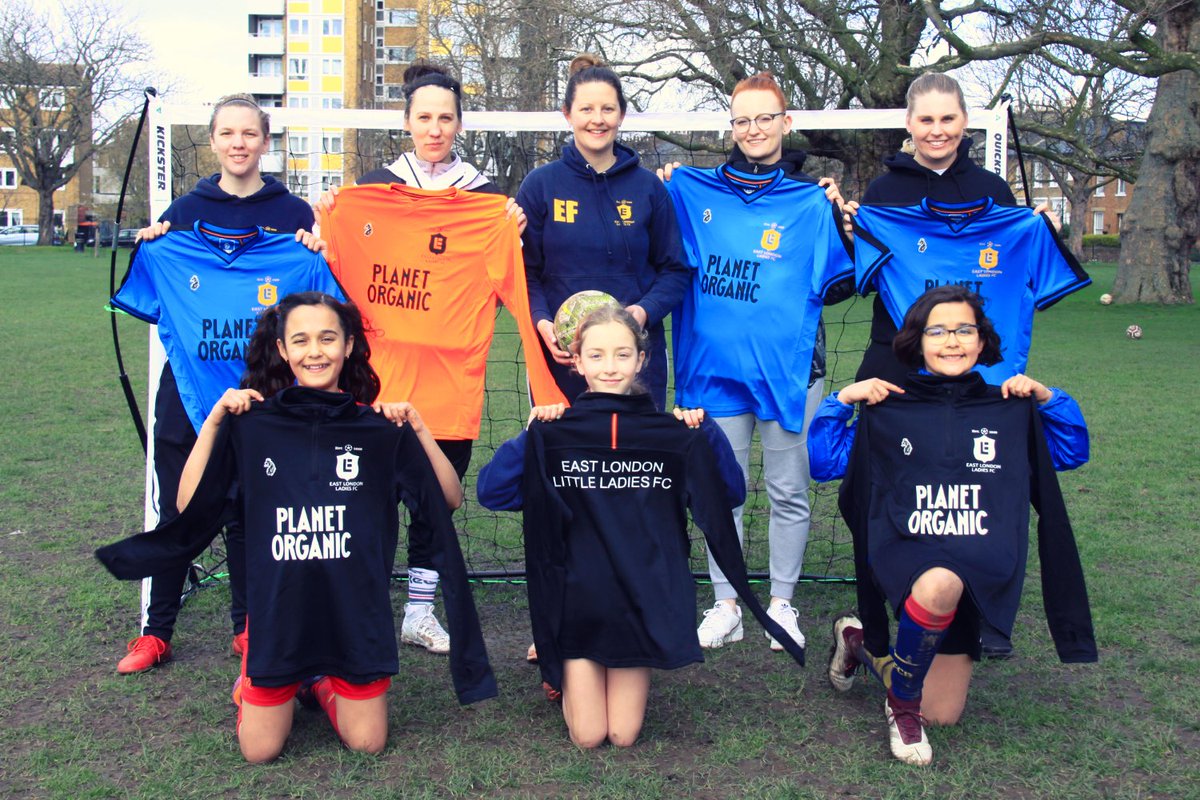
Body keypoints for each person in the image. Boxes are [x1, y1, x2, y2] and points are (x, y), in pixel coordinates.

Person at [97, 292, 496, 763]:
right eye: (301, 340)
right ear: (284, 350)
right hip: (278, 619)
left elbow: (447, 499)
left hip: (354, 621)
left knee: (367, 743)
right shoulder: (253, 426)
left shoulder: (378, 428)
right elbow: (187, 505)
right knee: (259, 752)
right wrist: (215, 422)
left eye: (328, 338)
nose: (315, 351)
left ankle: (322, 684)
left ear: (348, 346)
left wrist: (419, 428)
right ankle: (260, 674)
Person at [476, 305, 805, 748]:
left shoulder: (670, 434)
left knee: (624, 736)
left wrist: (705, 433)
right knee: (590, 737)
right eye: (596, 355)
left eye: (621, 354)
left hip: (640, 598)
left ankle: (590, 669)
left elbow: (729, 493)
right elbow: (493, 492)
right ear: (577, 360)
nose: (609, 367)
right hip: (576, 600)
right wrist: (531, 433)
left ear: (641, 360)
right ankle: (562, 672)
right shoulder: (557, 431)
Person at [808, 285, 1096, 765]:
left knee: (942, 712)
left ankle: (856, 643)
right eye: (937, 331)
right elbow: (824, 462)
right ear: (917, 343)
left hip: (977, 559)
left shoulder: (1006, 406)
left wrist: (1046, 398)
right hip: (907, 546)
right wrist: (843, 398)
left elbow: (1070, 451)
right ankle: (900, 705)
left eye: (964, 330)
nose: (952, 341)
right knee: (938, 582)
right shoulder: (888, 405)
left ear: (982, 341)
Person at [314, 63, 540, 654]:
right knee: (367, 502)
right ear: (406, 122)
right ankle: (357, 609)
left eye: (445, 118)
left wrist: (511, 228)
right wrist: (326, 230)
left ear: (459, 124)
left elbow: (516, 278)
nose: (434, 129)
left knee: (435, 504)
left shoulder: (486, 199)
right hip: (376, 382)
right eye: (424, 118)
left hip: (451, 385)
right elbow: (334, 278)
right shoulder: (371, 189)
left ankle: (419, 611)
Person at [112, 93, 324, 675]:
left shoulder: (293, 215)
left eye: (249, 134)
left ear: (265, 141)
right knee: (175, 507)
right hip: (187, 394)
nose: (239, 143)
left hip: (263, 397)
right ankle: (156, 631)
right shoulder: (181, 215)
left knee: (250, 511)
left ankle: (248, 627)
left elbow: (318, 310)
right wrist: (152, 246)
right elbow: (150, 295)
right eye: (228, 133)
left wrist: (313, 247)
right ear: (212, 141)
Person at [659, 72, 853, 653]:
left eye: (765, 117)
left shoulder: (810, 203)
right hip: (712, 373)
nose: (754, 128)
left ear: (785, 122)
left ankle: (782, 603)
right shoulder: (689, 192)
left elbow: (837, 285)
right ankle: (727, 604)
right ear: (732, 125)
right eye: (743, 119)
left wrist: (840, 219)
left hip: (790, 373)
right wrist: (665, 184)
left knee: (790, 490)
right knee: (721, 488)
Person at [516, 54, 690, 409]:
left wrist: (642, 312)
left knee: (637, 461)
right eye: (586, 110)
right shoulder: (539, 186)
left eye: (608, 109)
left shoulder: (649, 188)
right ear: (568, 114)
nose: (597, 120)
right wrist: (543, 324)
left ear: (621, 115)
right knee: (562, 461)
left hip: (634, 359)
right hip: (562, 359)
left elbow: (675, 270)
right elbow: (524, 273)